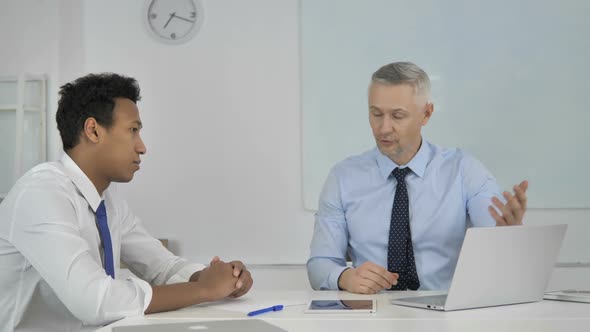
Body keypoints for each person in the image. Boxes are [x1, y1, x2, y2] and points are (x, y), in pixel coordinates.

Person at [0, 73, 253, 331]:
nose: (142, 147)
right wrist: (203, 289)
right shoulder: (40, 194)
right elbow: (94, 301)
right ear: (93, 130)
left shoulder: (107, 202)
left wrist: (220, 278)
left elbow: (160, 265)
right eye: (133, 130)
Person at [307, 61, 528, 294]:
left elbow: (494, 234)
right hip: (371, 316)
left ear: (426, 114)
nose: (383, 128)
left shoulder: (464, 171)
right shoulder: (343, 178)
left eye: (397, 116)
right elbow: (320, 264)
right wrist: (345, 277)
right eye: (376, 114)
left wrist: (508, 234)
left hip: (445, 315)